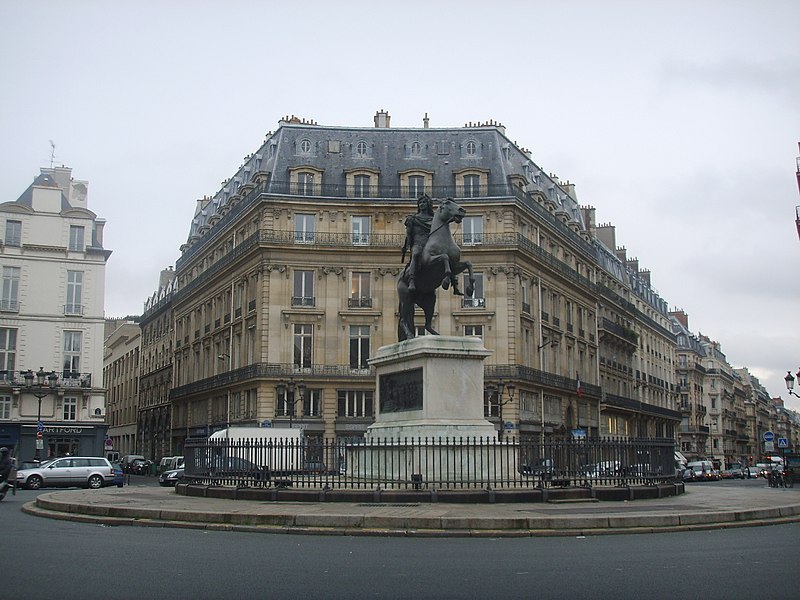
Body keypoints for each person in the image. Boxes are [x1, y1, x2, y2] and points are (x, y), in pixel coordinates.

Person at [401, 194, 435, 292]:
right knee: (416, 254)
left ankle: (452, 279)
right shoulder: (413, 219)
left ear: (428, 204)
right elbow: (409, 235)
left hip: (430, 243)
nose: (421, 204)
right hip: (418, 243)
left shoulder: (433, 219)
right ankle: (411, 279)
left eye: (424, 202)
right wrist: (405, 246)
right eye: (420, 202)